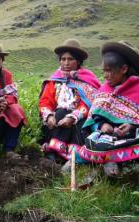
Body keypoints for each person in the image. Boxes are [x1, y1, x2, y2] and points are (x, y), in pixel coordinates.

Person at [79, 41, 139, 176]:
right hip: (108, 135)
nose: (105, 76)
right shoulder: (105, 88)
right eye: (104, 71)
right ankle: (110, 159)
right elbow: (95, 115)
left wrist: (131, 125)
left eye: (109, 71)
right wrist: (103, 124)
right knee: (96, 136)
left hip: (135, 134)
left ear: (124, 69)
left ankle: (109, 156)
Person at [39, 38, 101, 171]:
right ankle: (53, 155)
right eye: (63, 59)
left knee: (79, 123)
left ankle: (70, 157)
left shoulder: (87, 78)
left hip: (78, 120)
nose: (66, 63)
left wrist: (73, 117)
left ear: (78, 61)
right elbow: (45, 102)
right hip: (57, 120)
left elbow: (89, 103)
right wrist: (49, 116)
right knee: (60, 113)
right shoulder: (54, 80)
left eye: (70, 59)